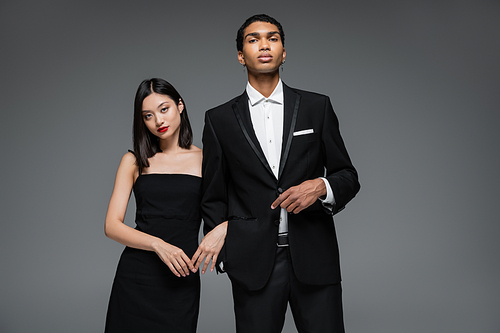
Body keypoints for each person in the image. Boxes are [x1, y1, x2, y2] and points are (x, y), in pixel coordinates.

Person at [192, 14, 360, 333]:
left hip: (315, 257)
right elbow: (213, 194)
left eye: (272, 38)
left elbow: (347, 175)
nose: (264, 45)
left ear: (284, 52)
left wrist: (321, 186)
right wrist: (229, 252)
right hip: (252, 265)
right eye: (253, 40)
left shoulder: (316, 107)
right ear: (241, 56)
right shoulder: (219, 120)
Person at [104, 78, 202, 333]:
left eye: (164, 109)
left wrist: (223, 229)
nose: (158, 120)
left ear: (180, 105)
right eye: (148, 115)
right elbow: (112, 226)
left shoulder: (207, 159)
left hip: (181, 277)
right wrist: (157, 244)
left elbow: (229, 211)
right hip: (137, 277)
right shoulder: (134, 160)